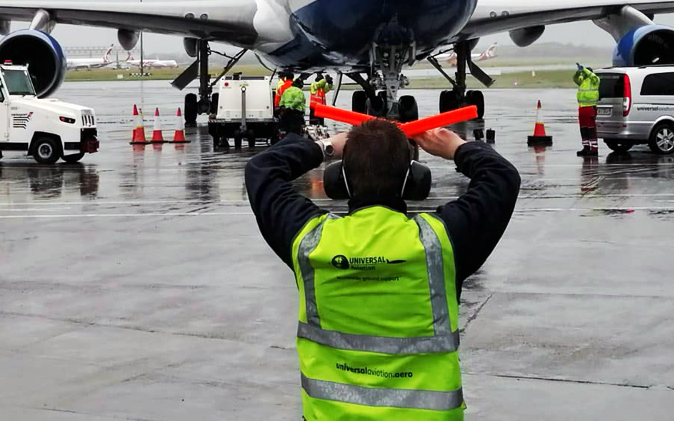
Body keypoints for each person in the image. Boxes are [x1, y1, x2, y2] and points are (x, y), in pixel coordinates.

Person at [245, 120, 521, 419]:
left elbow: (261, 170)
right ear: (413, 181)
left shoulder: (310, 242)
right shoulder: (439, 244)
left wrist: (325, 146)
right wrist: (456, 147)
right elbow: (501, 177)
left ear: (340, 180)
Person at [573, 63, 600, 157]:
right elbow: (575, 79)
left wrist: (584, 70)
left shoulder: (595, 80)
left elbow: (592, 76)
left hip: (590, 107)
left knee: (591, 129)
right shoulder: (582, 81)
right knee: (583, 128)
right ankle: (586, 147)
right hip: (582, 107)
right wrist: (578, 72)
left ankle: (594, 149)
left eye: (585, 73)